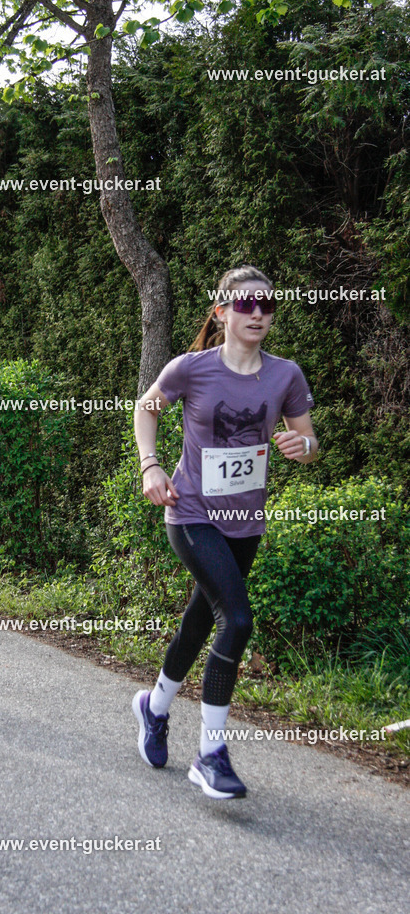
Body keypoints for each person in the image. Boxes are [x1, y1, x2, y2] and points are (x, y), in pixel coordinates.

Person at [132, 264, 318, 799]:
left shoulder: (286, 376)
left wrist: (303, 446)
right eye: (246, 304)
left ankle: (153, 708)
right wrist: (150, 465)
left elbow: (309, 443)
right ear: (222, 312)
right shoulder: (191, 369)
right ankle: (210, 754)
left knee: (199, 621)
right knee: (236, 620)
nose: (258, 313)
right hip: (191, 514)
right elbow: (146, 410)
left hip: (246, 522)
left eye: (267, 305)